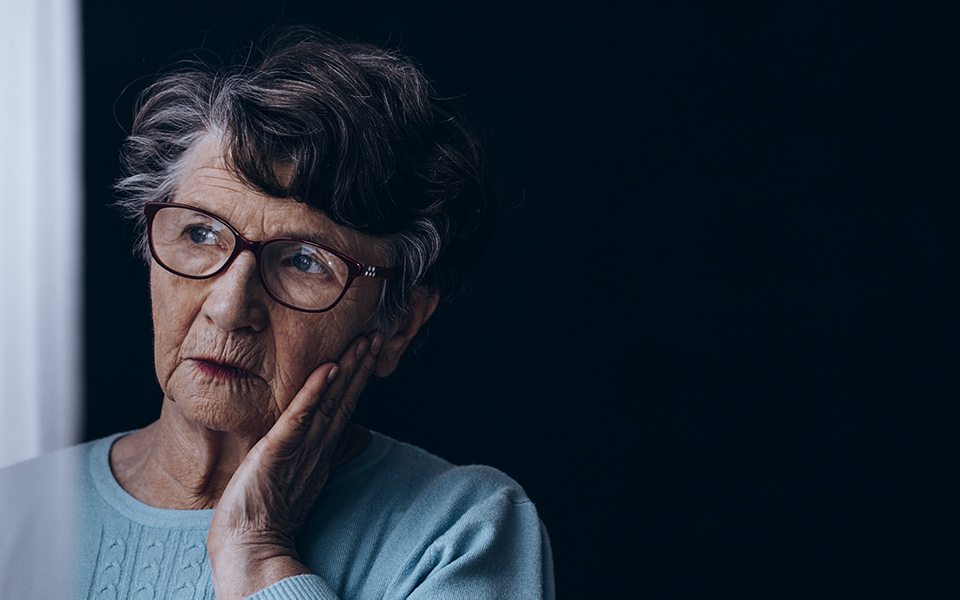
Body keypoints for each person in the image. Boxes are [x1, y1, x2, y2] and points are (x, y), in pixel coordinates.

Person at [0, 27, 554, 599]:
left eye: (304, 262)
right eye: (200, 233)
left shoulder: (461, 532)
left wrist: (258, 553)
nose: (228, 307)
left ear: (398, 323)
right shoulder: (14, 513)